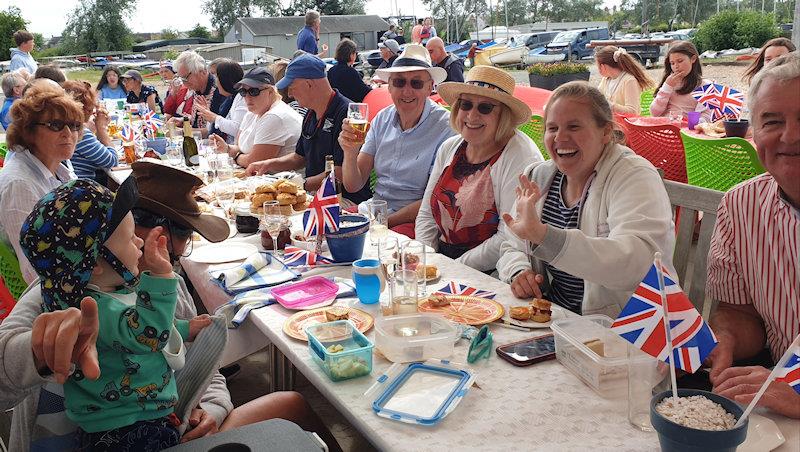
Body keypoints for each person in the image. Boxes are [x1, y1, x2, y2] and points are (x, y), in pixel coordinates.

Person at [0, 160, 344, 451]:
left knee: (291, 404)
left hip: (166, 420)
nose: (182, 250)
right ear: (157, 234)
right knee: (290, 409)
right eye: (185, 234)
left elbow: (203, 367)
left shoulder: (168, 286)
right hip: (107, 438)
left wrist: (212, 406)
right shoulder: (60, 294)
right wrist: (39, 352)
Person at [17, 177, 192, 450]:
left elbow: (146, 331)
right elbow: (149, 336)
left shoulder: (100, 294)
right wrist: (162, 277)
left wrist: (187, 329)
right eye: (129, 237)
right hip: (129, 429)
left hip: (126, 422)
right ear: (97, 261)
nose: (138, 242)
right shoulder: (92, 307)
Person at [498, 81, 675, 317]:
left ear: (605, 132)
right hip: (559, 321)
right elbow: (511, 244)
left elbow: (638, 263)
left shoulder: (633, 175)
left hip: (629, 330)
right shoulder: (538, 176)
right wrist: (518, 271)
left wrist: (544, 236)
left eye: (573, 127)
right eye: (552, 128)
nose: (560, 137)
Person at [705, 52, 800, 420]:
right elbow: (737, 312)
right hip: (775, 405)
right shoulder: (741, 204)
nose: (790, 136)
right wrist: (725, 339)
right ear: (754, 133)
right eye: (772, 121)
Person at [416, 66, 543, 271]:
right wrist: (427, 260)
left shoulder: (520, 156)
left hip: (494, 270)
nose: (472, 115)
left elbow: (507, 235)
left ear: (504, 115)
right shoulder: (451, 146)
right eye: (466, 104)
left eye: (485, 108)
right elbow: (426, 215)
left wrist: (453, 268)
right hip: (443, 262)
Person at [338, 44, 455, 236]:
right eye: (399, 82)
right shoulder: (382, 119)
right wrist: (350, 152)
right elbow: (354, 185)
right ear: (389, 87)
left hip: (415, 220)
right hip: (375, 211)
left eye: (416, 83)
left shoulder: (446, 127)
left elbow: (435, 200)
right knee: (323, 228)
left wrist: (382, 223)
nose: (407, 91)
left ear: (430, 88)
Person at [245, 55, 371, 205]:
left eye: (291, 87)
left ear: (309, 84)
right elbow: (299, 157)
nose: (290, 94)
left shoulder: (345, 114)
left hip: (343, 200)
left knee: (272, 212)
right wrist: (268, 164)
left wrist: (299, 185)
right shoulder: (310, 113)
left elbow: (339, 174)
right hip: (315, 194)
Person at [0, 81, 80, 284]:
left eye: (74, 125)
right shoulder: (20, 184)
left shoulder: (57, 168)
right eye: (55, 125)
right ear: (28, 131)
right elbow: (34, 269)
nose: (68, 134)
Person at [209, 67, 301, 169]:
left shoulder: (275, 116)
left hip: (281, 181)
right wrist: (227, 148)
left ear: (270, 92)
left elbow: (254, 162)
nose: (247, 97)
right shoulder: (252, 113)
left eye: (254, 91)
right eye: (243, 91)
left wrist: (235, 156)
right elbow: (239, 147)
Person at [62, 80, 119, 180]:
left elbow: (97, 155)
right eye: (89, 109)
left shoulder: (66, 126)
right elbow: (112, 162)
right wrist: (101, 128)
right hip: (81, 185)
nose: (92, 112)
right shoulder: (78, 132)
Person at [650, 41, 711, 122]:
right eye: (672, 63)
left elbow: (707, 115)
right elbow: (654, 113)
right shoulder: (669, 82)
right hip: (663, 129)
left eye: (680, 61)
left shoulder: (704, 85)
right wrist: (667, 87)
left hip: (686, 130)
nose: (676, 66)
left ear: (693, 59)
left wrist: (692, 123)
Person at [167, 50, 222, 131]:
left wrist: (184, 132)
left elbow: (216, 128)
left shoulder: (219, 90)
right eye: (181, 79)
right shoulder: (197, 89)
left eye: (186, 77)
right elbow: (200, 120)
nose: (184, 83)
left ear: (202, 71)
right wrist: (184, 120)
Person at [595, 46, 655, 115]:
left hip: (626, 124)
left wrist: (609, 105)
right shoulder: (606, 79)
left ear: (603, 66)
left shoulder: (629, 80)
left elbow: (633, 111)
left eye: (598, 66)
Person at [196, 59, 246, 142]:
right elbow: (212, 128)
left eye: (216, 77)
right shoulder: (229, 98)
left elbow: (237, 129)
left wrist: (214, 117)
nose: (216, 81)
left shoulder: (242, 97)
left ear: (225, 80)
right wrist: (208, 114)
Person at [327, 38, 371, 103]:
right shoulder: (351, 72)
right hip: (350, 107)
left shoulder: (331, 70)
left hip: (336, 107)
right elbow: (365, 91)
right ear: (351, 55)